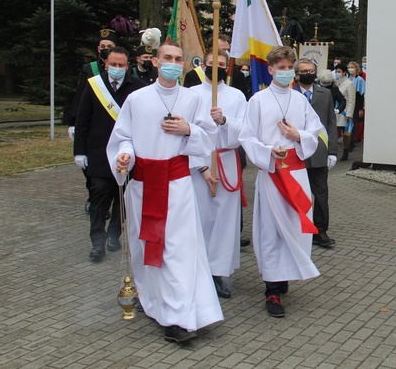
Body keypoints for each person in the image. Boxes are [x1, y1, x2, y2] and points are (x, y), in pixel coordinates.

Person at [107, 40, 223, 343]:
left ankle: (178, 318)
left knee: (178, 251)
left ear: (184, 64)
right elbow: (123, 137)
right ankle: (153, 301)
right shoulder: (136, 98)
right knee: (148, 248)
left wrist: (189, 131)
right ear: (155, 62)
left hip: (178, 186)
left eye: (178, 58)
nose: (173, 62)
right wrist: (125, 156)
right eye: (166, 57)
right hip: (144, 186)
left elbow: (208, 138)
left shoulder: (193, 99)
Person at [238, 46, 325, 318]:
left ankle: (284, 273)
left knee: (295, 227)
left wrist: (298, 135)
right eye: (282, 68)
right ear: (271, 69)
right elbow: (247, 136)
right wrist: (267, 152)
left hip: (298, 174)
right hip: (273, 174)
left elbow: (316, 131)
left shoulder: (300, 101)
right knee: (271, 230)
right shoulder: (258, 100)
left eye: (291, 68)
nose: (287, 73)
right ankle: (272, 289)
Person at [74, 47, 146, 261]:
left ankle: (115, 234)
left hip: (127, 154)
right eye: (113, 64)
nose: (117, 68)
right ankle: (97, 242)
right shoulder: (94, 86)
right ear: (105, 64)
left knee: (121, 198)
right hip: (98, 153)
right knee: (98, 198)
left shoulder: (138, 88)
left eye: (121, 65)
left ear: (128, 66)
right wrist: (79, 151)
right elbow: (82, 119)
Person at [189, 49, 248, 299]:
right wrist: (201, 165)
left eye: (222, 64)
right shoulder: (190, 95)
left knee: (224, 221)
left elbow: (246, 129)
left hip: (226, 159)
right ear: (203, 65)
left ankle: (217, 273)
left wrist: (225, 121)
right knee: (198, 218)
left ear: (228, 67)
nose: (217, 68)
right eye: (213, 64)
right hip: (197, 163)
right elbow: (186, 132)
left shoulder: (236, 96)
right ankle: (196, 270)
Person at [69, 28, 117, 213]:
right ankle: (93, 197)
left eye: (109, 46)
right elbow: (79, 97)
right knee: (91, 165)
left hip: (112, 123)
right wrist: (73, 122)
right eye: (103, 46)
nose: (105, 49)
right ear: (98, 48)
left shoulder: (119, 67)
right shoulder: (89, 68)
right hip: (94, 126)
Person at [295, 58, 338, 248]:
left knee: (321, 194)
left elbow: (330, 122)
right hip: (297, 152)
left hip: (320, 152)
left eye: (311, 70)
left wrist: (333, 152)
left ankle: (320, 231)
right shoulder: (290, 94)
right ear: (297, 74)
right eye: (303, 71)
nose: (308, 74)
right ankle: (299, 229)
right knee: (298, 194)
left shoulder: (325, 93)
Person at [334, 63, 356, 161]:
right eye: (336, 72)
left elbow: (351, 100)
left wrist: (349, 113)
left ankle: (345, 151)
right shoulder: (335, 83)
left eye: (339, 72)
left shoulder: (349, 83)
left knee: (345, 134)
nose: (337, 73)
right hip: (335, 111)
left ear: (344, 73)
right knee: (334, 132)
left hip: (344, 111)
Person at [347, 61, 366, 151]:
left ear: (356, 69)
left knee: (353, 123)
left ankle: (351, 142)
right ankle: (347, 141)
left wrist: (361, 109)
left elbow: (362, 95)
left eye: (352, 67)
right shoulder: (346, 78)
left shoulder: (360, 80)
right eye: (349, 67)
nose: (350, 69)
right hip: (346, 104)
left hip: (356, 104)